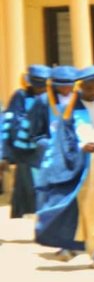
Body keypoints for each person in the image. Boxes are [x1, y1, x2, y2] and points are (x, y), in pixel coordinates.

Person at [36, 66, 94, 263]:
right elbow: (65, 141)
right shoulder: (70, 110)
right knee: (90, 207)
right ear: (80, 88)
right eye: (88, 88)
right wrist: (82, 147)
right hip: (86, 166)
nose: (93, 91)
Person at [1, 65, 51, 218]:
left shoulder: (51, 97)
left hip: (47, 149)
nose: (40, 88)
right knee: (30, 187)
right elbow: (11, 123)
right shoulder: (21, 96)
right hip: (26, 150)